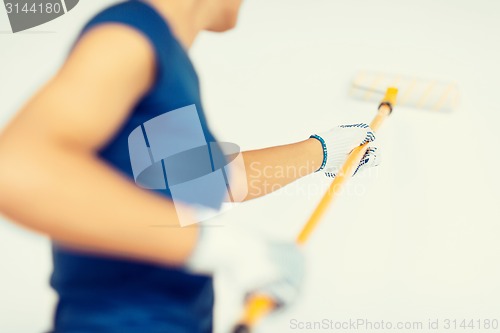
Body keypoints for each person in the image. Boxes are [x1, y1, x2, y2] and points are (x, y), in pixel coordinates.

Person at [0, 1, 380, 332]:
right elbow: (17, 170)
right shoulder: (129, 34)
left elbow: (206, 181)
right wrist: (226, 248)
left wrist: (326, 151)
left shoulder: (167, 59)